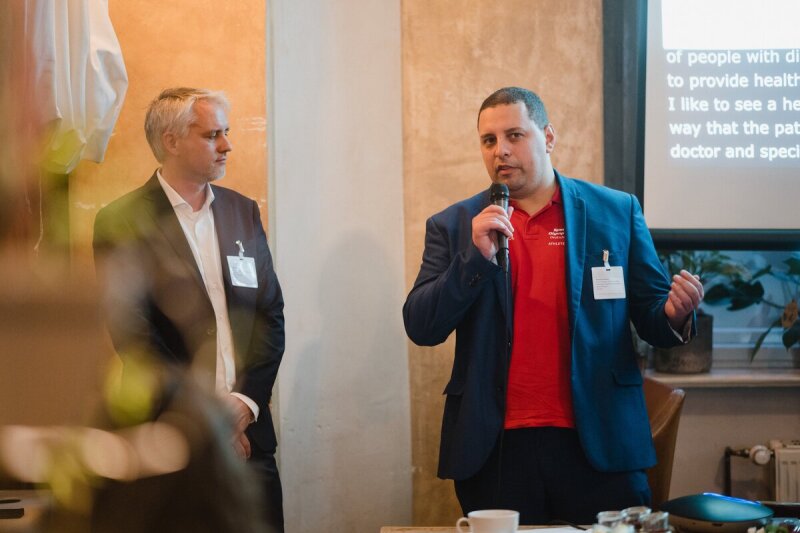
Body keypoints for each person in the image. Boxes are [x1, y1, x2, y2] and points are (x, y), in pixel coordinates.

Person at [403, 87, 704, 525]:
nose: (500, 151)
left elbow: (653, 316)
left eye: (514, 135)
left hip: (597, 442)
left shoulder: (615, 212)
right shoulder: (455, 225)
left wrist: (674, 314)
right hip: (496, 450)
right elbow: (421, 326)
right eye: (489, 141)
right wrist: (474, 258)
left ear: (547, 137)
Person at [93, 87, 285, 531]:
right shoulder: (121, 221)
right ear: (171, 141)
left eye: (227, 132)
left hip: (249, 439)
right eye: (212, 134)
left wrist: (243, 404)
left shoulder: (243, 212)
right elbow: (134, 335)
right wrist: (207, 422)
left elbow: (269, 315)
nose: (227, 145)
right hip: (168, 442)